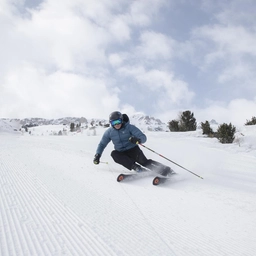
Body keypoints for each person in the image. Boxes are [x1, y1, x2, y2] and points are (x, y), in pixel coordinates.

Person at [93, 111, 172, 175]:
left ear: (122, 120)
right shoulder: (109, 132)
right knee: (114, 154)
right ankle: (136, 168)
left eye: (118, 121)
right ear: (111, 123)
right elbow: (102, 144)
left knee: (144, 162)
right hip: (121, 153)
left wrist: (137, 140)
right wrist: (98, 155)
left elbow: (143, 137)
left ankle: (165, 169)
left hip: (133, 150)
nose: (117, 124)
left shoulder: (129, 127)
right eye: (114, 123)